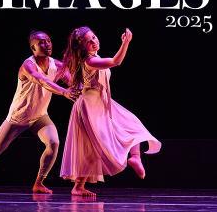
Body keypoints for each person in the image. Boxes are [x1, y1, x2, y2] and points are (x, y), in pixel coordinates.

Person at [0, 30, 78, 193]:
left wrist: (80, 90)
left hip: (40, 116)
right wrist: (64, 92)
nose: (47, 44)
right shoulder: (27, 65)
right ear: (33, 48)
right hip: (18, 117)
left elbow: (71, 80)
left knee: (54, 143)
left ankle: (39, 183)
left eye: (48, 41)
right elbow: (42, 80)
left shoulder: (55, 65)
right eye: (42, 42)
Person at [59, 27, 162, 196]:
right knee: (92, 148)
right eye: (88, 42)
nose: (93, 42)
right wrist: (126, 42)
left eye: (94, 37)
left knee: (131, 122)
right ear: (82, 47)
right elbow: (116, 61)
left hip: (102, 103)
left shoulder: (95, 58)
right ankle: (78, 186)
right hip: (89, 108)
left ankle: (135, 157)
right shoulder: (90, 61)